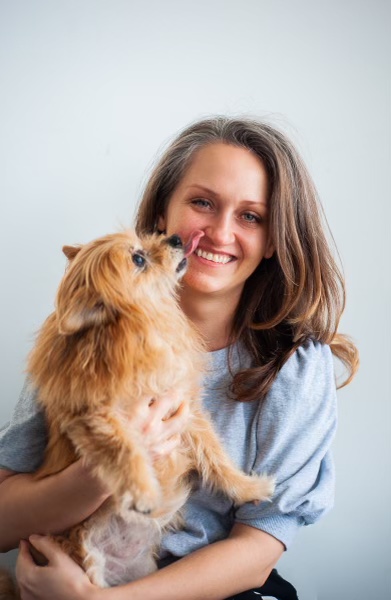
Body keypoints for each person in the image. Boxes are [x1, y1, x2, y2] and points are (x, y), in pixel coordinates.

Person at [0, 116, 358, 600]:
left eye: (251, 216)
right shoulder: (79, 337)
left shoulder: (295, 366)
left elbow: (259, 547)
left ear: (275, 239)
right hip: (77, 563)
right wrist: (102, 474)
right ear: (162, 213)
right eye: (203, 203)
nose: (219, 231)